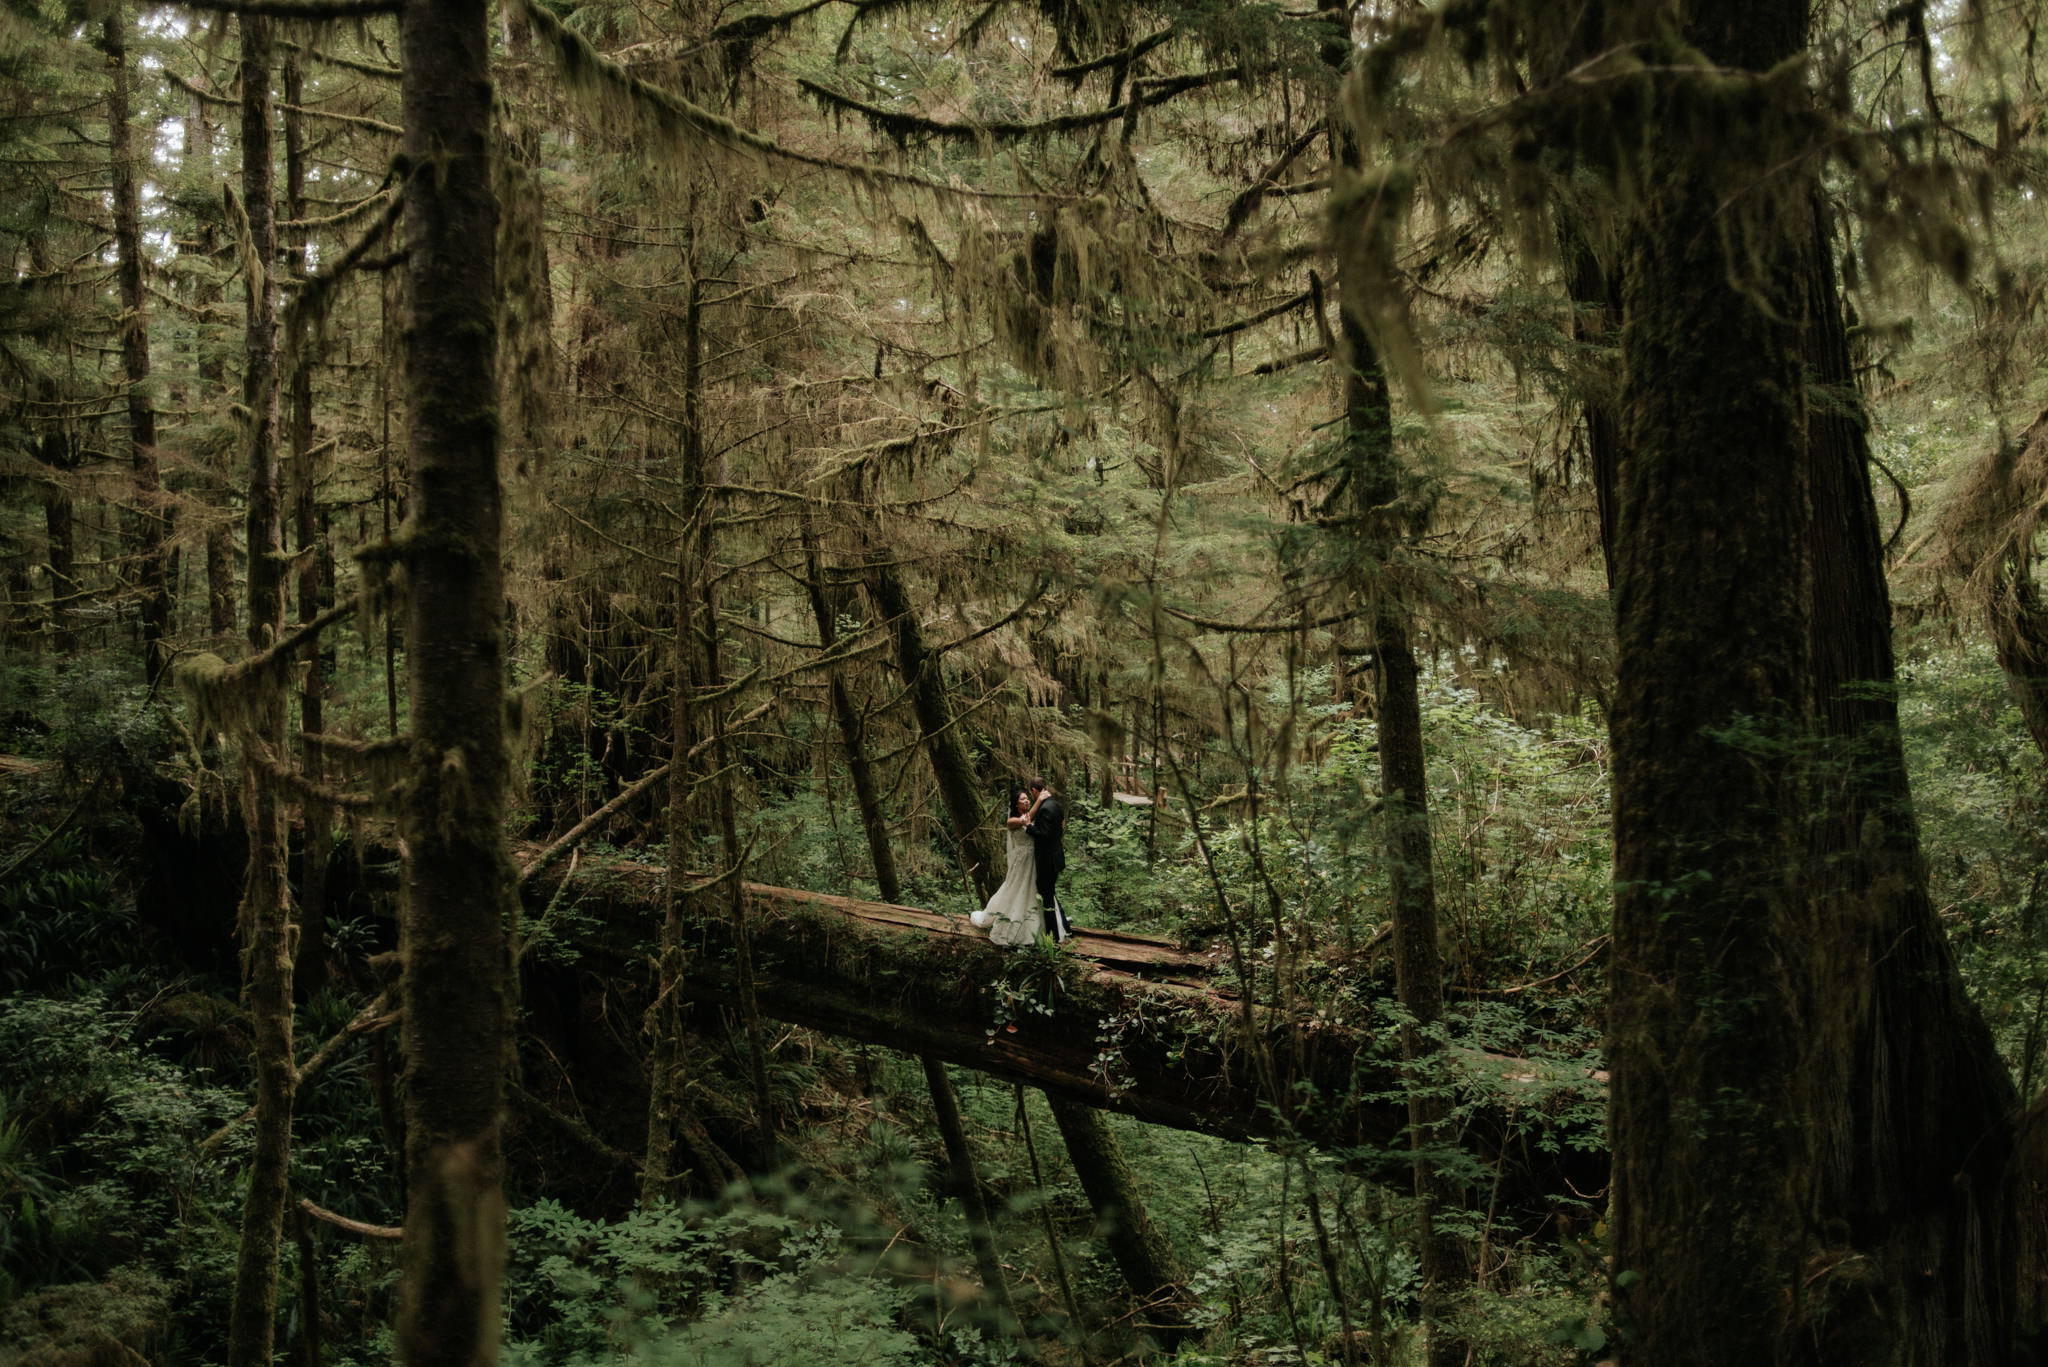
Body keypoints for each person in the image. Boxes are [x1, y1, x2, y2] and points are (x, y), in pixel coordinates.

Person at [970, 790, 1040, 947]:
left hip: (1034, 860)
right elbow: (1024, 820)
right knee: (1015, 888)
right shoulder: (1012, 821)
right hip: (1022, 860)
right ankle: (1011, 925)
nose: (1027, 801)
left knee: (1033, 890)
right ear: (1016, 803)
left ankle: (1035, 926)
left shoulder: (1032, 818)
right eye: (1023, 799)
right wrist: (1040, 800)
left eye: (1028, 799)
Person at [1024, 776, 1073, 943]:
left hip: (1047, 861)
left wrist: (1030, 828)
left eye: (1031, 793)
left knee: (1047, 899)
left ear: (1034, 791)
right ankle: (1064, 927)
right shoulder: (1056, 805)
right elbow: (1061, 827)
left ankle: (1053, 938)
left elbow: (1044, 835)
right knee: (1050, 894)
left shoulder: (1044, 809)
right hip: (1055, 857)